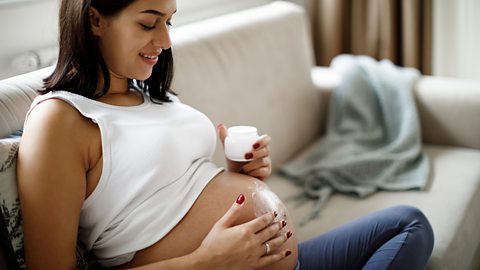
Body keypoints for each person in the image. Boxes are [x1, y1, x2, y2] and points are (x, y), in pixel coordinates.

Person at [16, 0, 434, 269]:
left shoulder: (147, 92)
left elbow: (175, 190)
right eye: (148, 24)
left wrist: (239, 172)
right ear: (94, 19)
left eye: (169, 22)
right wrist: (204, 261)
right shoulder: (61, 121)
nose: (164, 40)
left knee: (409, 224)